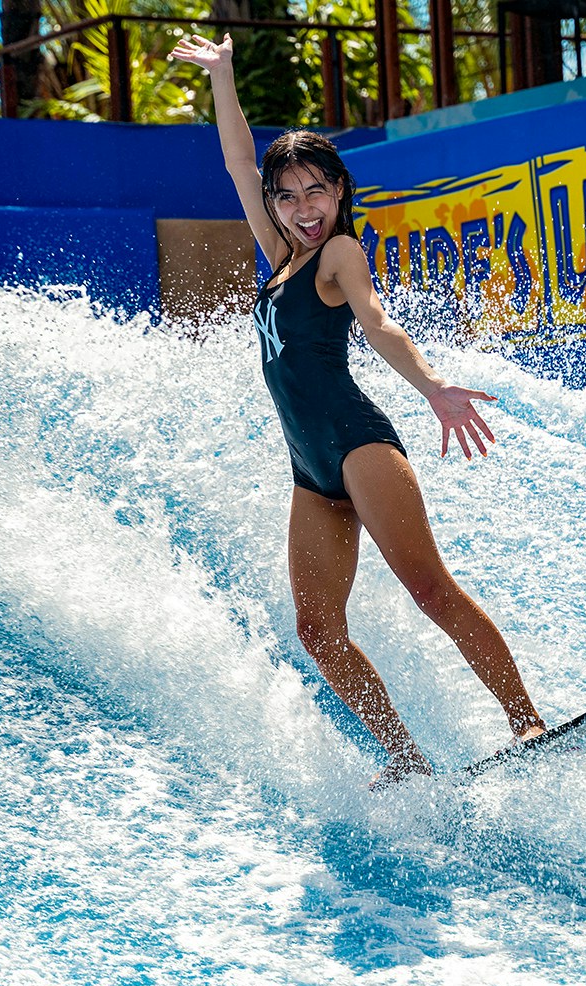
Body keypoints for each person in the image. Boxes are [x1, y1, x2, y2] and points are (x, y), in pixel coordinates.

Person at [170, 33, 547, 789]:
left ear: (339, 192)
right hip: (309, 469)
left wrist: (433, 387)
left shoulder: (339, 253)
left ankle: (525, 719)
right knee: (318, 632)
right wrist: (224, 77)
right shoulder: (279, 257)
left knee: (428, 588)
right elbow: (239, 161)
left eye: (316, 191)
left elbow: (378, 322)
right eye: (288, 196)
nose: (303, 208)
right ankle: (405, 760)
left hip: (357, 444)